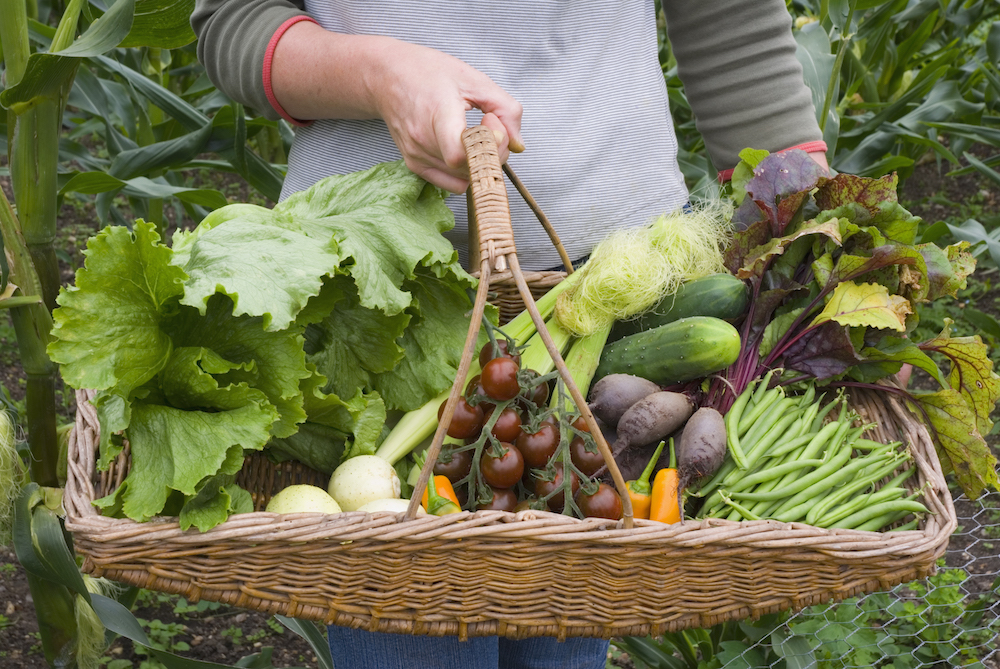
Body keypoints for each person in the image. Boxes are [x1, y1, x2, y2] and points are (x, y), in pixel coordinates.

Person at [190, 2, 829, 666]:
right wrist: (379, 75)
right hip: (369, 304)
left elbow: (730, 17)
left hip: (617, 288)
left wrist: (817, 240)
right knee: (409, 638)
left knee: (561, 642)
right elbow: (236, 19)